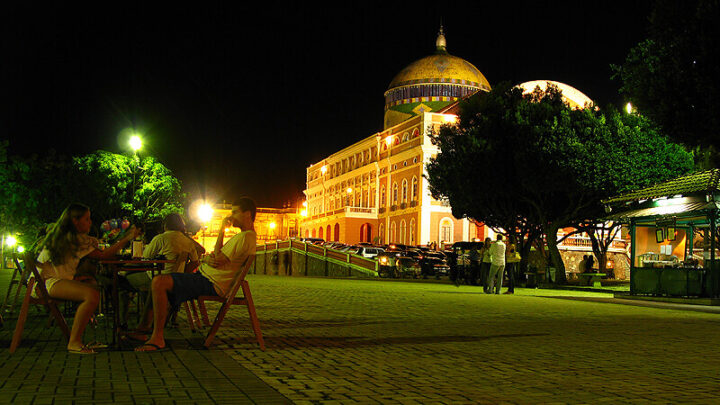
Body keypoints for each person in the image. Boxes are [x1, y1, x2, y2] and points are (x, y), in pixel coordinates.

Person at [135, 198, 257, 352]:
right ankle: (143, 330)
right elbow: (217, 256)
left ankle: (157, 337)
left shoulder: (245, 237)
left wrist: (205, 259)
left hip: (209, 282)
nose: (231, 217)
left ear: (247, 214)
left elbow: (216, 261)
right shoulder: (245, 237)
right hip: (205, 278)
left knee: (159, 282)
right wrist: (221, 231)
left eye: (235, 212)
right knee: (158, 282)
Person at [34, 203, 140, 354]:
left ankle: (83, 335)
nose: (90, 222)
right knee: (92, 294)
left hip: (43, 283)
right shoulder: (77, 239)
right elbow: (103, 256)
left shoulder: (63, 236)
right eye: (87, 219)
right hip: (46, 284)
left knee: (92, 286)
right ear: (75, 221)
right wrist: (127, 238)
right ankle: (74, 342)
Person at [120, 213, 200, 331]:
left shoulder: (161, 238)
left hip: (156, 279)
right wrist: (181, 274)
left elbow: (144, 258)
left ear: (165, 225)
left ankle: (122, 322)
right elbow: (195, 262)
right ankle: (148, 316)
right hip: (175, 281)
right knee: (139, 284)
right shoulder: (188, 241)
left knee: (122, 282)